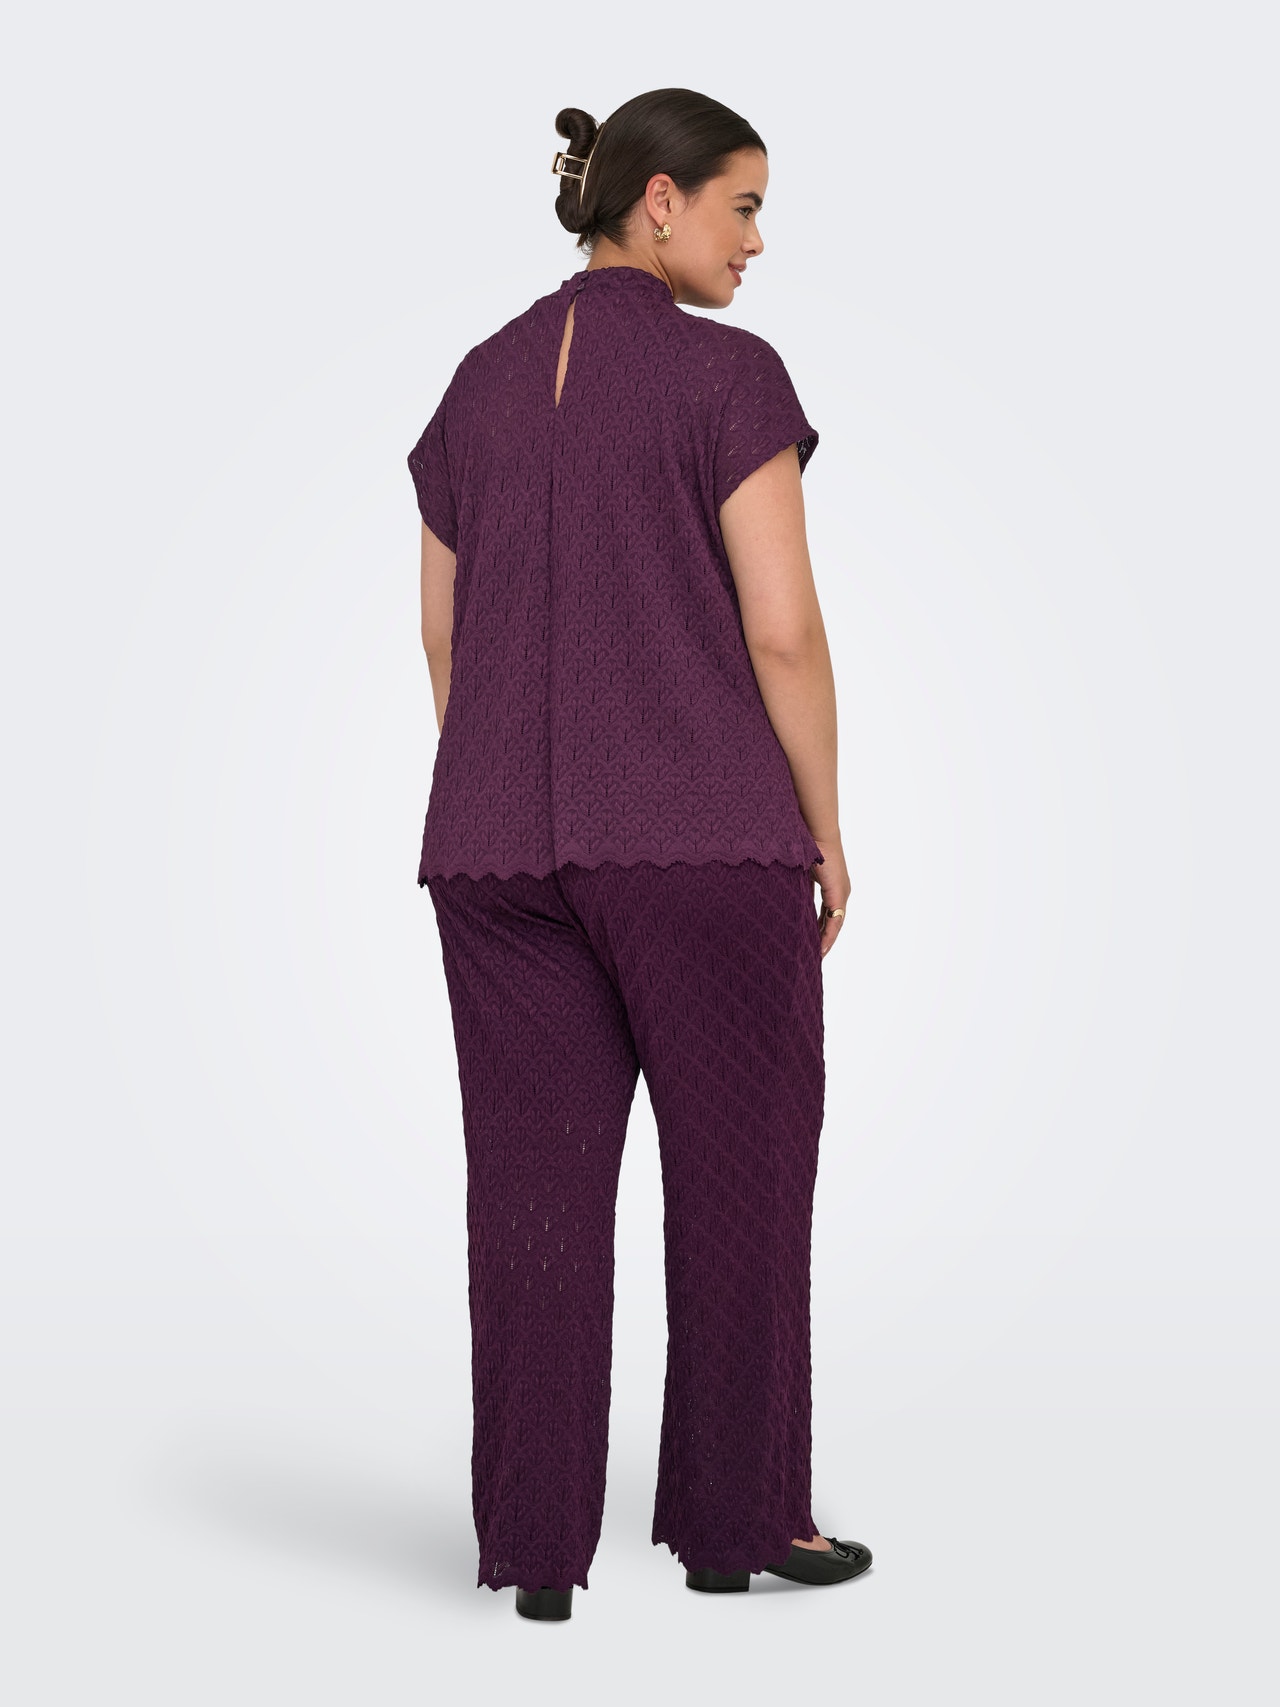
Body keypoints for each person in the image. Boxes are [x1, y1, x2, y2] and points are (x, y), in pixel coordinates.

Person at [407, 87, 873, 1622]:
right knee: (740, 1182)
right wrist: (822, 823)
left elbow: (444, 635)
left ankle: (538, 1555)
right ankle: (738, 1523)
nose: (757, 243)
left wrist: (505, 782)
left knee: (530, 1206)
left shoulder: (476, 386)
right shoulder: (726, 376)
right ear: (657, 202)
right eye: (743, 207)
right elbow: (784, 631)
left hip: (493, 858)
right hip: (701, 842)